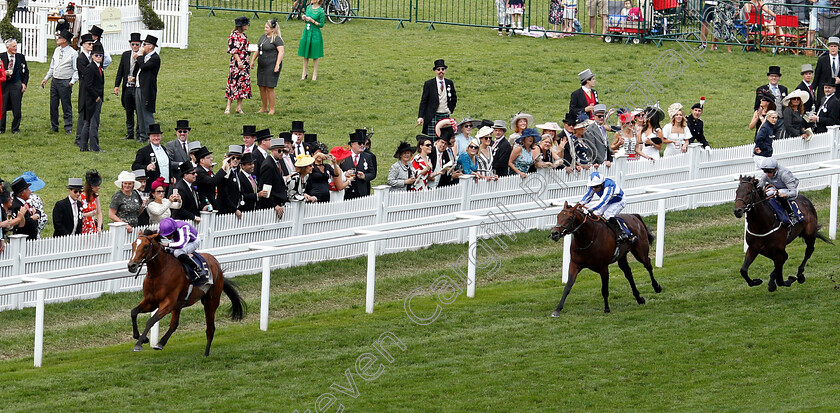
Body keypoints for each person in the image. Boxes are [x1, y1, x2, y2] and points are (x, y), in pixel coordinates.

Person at [579, 171, 633, 243]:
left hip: (619, 200)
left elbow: (603, 200)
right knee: (595, 214)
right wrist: (579, 204)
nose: (594, 189)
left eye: (596, 187)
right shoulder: (594, 187)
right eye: (592, 187)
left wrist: (590, 209)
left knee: (608, 215)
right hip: (609, 201)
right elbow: (588, 196)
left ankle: (623, 233)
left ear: (602, 184)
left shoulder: (609, 185)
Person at [41, 30, 77, 135]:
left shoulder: (73, 53)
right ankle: (54, 126)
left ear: (65, 40)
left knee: (66, 105)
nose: (57, 39)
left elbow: (76, 69)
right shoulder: (57, 50)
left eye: (59, 37)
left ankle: (68, 127)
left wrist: (72, 82)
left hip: (65, 80)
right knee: (53, 104)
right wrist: (46, 78)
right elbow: (52, 66)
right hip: (55, 80)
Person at [250, 19, 284, 114]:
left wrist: (277, 64)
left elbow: (281, 52)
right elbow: (258, 49)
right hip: (262, 65)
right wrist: (252, 60)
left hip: (271, 65)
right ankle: (264, 107)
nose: (265, 29)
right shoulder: (263, 37)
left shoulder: (277, 39)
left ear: (272, 29)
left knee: (269, 87)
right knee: (261, 86)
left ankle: (272, 108)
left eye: (267, 27)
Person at [157, 217, 205, 284]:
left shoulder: (183, 227)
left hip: (192, 241)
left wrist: (168, 244)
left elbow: (181, 244)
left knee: (177, 252)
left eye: (170, 235)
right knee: (168, 251)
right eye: (166, 236)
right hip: (179, 240)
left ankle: (198, 270)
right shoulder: (165, 227)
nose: (168, 237)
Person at [417, 59, 457, 136]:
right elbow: (424, 101)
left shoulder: (449, 83)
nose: (440, 71)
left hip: (445, 114)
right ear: (435, 71)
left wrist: (450, 109)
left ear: (445, 70)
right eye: (438, 69)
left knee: (444, 139)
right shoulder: (429, 84)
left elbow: (454, 98)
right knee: (432, 140)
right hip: (433, 115)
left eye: (443, 69)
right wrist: (421, 116)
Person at [113, 33, 141, 141]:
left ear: (140, 45)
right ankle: (130, 134)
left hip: (137, 87)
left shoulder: (142, 56)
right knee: (128, 111)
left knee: (138, 111)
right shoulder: (125, 55)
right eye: (133, 44)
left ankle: (139, 134)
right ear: (130, 44)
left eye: (137, 44)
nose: (135, 46)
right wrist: (116, 85)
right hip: (127, 87)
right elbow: (120, 71)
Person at [133, 35, 161, 143]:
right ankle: (143, 135)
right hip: (139, 86)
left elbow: (143, 67)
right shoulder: (145, 56)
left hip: (148, 88)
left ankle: (152, 136)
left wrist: (139, 56)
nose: (142, 46)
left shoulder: (155, 58)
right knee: (140, 112)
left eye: (144, 44)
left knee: (147, 113)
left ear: (151, 46)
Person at [758, 157, 801, 226]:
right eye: (765, 171)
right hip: (776, 188)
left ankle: (791, 215)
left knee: (777, 194)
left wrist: (784, 195)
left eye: (769, 171)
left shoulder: (785, 174)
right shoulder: (765, 175)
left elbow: (793, 192)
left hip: (788, 189)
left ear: (775, 169)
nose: (767, 174)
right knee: (768, 193)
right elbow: (759, 187)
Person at [79, 42, 105, 152]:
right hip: (93, 99)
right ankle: (94, 147)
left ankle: (83, 146)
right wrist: (97, 97)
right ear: (92, 56)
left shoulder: (98, 67)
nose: (99, 57)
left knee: (88, 122)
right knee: (93, 123)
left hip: (94, 98)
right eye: (96, 55)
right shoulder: (91, 67)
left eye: (100, 55)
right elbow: (88, 85)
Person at [0, 39, 29, 134]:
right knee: (2, 108)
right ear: (7, 47)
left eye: (16, 46)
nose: (15, 48)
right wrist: (4, 73)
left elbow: (26, 72)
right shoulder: (1, 57)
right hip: (4, 85)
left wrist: (24, 83)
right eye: (13, 46)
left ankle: (15, 128)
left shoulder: (20, 57)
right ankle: (1, 128)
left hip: (16, 84)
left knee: (17, 109)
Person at [258, 137, 290, 217]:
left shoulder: (278, 162)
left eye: (283, 150)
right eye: (279, 151)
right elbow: (265, 189)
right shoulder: (268, 165)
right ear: (272, 150)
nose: (281, 153)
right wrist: (274, 205)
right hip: (270, 207)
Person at [132, 124, 172, 189]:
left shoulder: (164, 149)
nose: (156, 138)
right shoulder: (143, 151)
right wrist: (146, 167)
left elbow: (168, 165)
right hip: (153, 184)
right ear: (149, 137)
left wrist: (171, 177)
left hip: (167, 184)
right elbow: (135, 166)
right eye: (153, 136)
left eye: (158, 136)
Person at [226, 16, 251, 114]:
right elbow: (233, 49)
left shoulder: (244, 36)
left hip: (245, 62)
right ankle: (228, 106)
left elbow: (245, 48)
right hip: (236, 63)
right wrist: (239, 61)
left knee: (243, 84)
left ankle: (239, 107)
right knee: (233, 83)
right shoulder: (233, 35)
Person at [340, 130, 376, 199]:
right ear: (352, 144)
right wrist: (345, 174)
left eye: (363, 143)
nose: (362, 146)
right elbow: (337, 172)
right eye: (360, 143)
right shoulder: (344, 156)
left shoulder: (368, 157)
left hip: (362, 191)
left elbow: (372, 173)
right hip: (347, 192)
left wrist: (364, 176)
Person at [74, 33, 94, 148]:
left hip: (90, 87)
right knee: (83, 112)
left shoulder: (91, 57)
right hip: (84, 87)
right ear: (83, 45)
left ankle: (86, 136)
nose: (91, 46)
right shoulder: (81, 58)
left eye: (92, 44)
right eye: (89, 44)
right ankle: (79, 137)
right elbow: (86, 73)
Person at [298, 0, 325, 81]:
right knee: (305, 53)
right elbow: (306, 18)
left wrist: (312, 21)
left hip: (315, 33)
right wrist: (305, 18)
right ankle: (304, 72)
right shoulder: (309, 7)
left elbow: (321, 25)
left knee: (315, 54)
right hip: (307, 32)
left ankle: (314, 74)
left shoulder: (321, 11)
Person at [216, 145, 246, 214]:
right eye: (233, 158)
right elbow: (224, 193)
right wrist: (234, 209)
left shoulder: (238, 172)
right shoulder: (225, 172)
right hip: (226, 211)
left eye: (238, 158)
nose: (235, 160)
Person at [813, 37, 840, 104]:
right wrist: (812, 89)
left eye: (835, 46)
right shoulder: (822, 60)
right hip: (824, 92)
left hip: (838, 92)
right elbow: (817, 76)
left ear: (838, 47)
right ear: (828, 47)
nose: (833, 48)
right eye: (831, 46)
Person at [80, 169, 103, 234]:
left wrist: (99, 226)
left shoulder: (96, 196)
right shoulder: (80, 197)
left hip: (92, 227)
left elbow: (99, 213)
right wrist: (87, 214)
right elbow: (76, 214)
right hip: (82, 227)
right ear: (92, 186)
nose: (99, 187)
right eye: (97, 186)